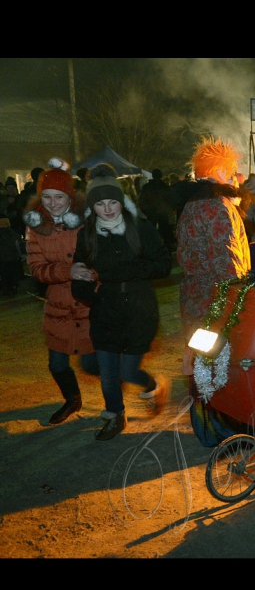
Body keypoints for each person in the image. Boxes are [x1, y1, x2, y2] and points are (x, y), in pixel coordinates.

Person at [71, 163, 172, 441]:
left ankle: (153, 385)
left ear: (121, 201)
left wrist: (124, 272)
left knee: (128, 371)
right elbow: (81, 269)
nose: (108, 209)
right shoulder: (87, 234)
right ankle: (116, 414)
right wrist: (84, 286)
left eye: (112, 202)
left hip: (139, 308)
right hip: (106, 310)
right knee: (107, 372)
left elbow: (163, 264)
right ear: (93, 206)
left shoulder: (140, 227)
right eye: (101, 204)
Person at [174, 136, 255, 446]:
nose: (236, 177)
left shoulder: (189, 205)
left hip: (194, 296)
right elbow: (229, 260)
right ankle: (219, 429)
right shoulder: (219, 206)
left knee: (200, 361)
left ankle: (206, 426)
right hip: (218, 299)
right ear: (220, 171)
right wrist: (240, 295)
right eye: (232, 170)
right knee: (219, 364)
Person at [23, 158, 99, 426]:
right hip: (58, 307)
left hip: (89, 303)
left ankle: (117, 400)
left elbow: (102, 258)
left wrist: (93, 274)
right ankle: (72, 399)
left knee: (93, 365)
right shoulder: (35, 227)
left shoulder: (87, 221)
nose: (53, 203)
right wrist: (67, 272)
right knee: (57, 364)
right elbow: (37, 269)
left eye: (59, 197)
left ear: (69, 195)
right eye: (46, 197)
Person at [138, 168, 176, 252]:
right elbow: (172, 200)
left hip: (152, 213)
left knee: (151, 233)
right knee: (166, 232)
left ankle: (152, 249)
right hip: (163, 213)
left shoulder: (147, 187)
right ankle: (167, 249)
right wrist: (169, 210)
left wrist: (147, 211)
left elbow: (142, 201)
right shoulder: (165, 187)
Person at [0, 216, 25, 297]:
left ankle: (5, 289)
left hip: (2, 259)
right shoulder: (15, 235)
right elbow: (20, 246)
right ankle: (13, 287)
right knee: (13, 274)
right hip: (13, 258)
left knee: (4, 275)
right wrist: (22, 256)